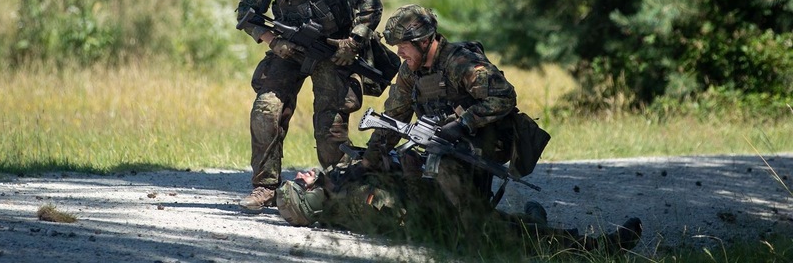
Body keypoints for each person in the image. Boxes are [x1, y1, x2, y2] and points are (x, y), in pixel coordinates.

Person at [359, 4, 550, 240]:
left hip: (488, 142)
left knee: (455, 189)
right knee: (404, 163)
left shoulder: (460, 62)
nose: (400, 53)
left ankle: (496, 231)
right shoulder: (411, 71)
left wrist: (461, 124)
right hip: (449, 145)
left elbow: (504, 96)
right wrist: (369, 161)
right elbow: (394, 116)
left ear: (424, 41)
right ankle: (507, 220)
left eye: (404, 46)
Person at [235, 0, 383, 209]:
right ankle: (265, 187)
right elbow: (246, 11)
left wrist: (353, 42)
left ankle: (342, 192)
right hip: (289, 48)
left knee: (330, 126)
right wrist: (273, 42)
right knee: (266, 109)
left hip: (333, 51)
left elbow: (369, 2)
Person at [275, 161, 643, 255]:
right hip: (447, 224)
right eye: (300, 183)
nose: (303, 174)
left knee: (511, 223)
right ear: (310, 199)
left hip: (444, 213)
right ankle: (596, 247)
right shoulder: (354, 200)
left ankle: (532, 220)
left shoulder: (341, 192)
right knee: (512, 234)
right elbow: (403, 210)